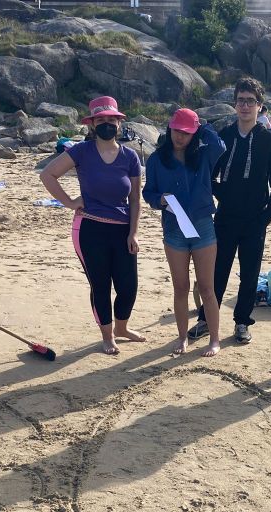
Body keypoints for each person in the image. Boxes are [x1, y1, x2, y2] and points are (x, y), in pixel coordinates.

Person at [39, 96, 145, 355]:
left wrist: (133, 233)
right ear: (92, 125)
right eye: (101, 120)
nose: (107, 124)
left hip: (122, 230)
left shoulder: (130, 157)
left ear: (119, 124)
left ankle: (122, 327)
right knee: (100, 285)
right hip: (89, 229)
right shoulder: (81, 152)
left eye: (111, 119)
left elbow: (135, 199)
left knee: (128, 286)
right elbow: (48, 174)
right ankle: (108, 335)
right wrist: (69, 202)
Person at [188, 77, 271, 346]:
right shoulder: (224, 137)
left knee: (249, 274)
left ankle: (242, 322)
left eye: (250, 101)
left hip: (255, 220)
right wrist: (223, 196)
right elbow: (210, 175)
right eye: (240, 100)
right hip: (225, 218)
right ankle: (207, 319)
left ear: (260, 106)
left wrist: (268, 216)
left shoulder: (268, 141)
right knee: (217, 271)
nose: (244, 106)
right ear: (234, 104)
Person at [142, 108, 226, 356]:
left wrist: (202, 126)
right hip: (173, 229)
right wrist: (160, 200)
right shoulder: (157, 159)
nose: (180, 136)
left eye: (187, 132)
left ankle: (214, 339)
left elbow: (219, 146)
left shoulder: (203, 156)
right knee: (180, 287)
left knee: (207, 288)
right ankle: (182, 338)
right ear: (170, 129)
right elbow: (148, 193)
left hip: (202, 226)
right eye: (177, 130)